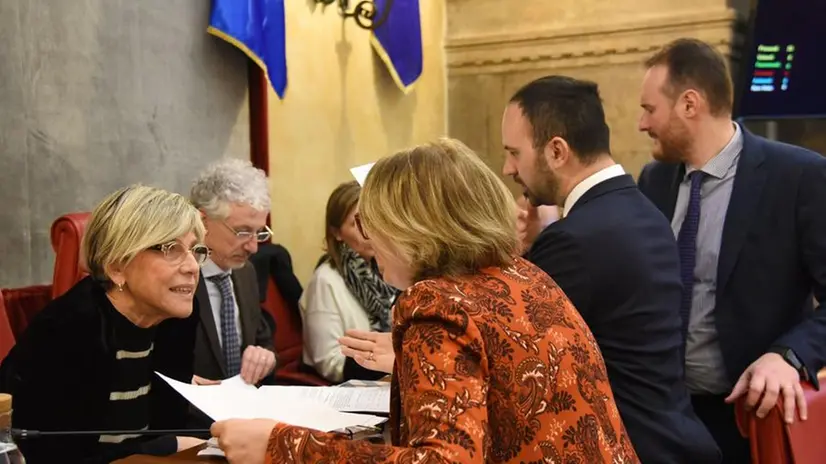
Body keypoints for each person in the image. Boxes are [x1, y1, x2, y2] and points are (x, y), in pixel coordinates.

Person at [210, 138, 639, 463]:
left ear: (410, 224)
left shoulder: (437, 303)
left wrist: (281, 445)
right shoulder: (525, 277)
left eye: (372, 219)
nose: (370, 235)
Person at [501, 75, 720, 463]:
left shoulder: (574, 240)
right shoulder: (644, 213)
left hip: (631, 448)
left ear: (557, 151)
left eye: (514, 153)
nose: (507, 168)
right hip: (675, 441)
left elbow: (517, 364)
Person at [636, 38, 826, 462]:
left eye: (649, 109)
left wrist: (789, 356)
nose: (641, 124)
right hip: (666, 419)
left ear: (690, 104)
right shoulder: (653, 180)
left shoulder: (799, 177)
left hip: (750, 420)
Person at [0, 185, 208, 463]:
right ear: (117, 267)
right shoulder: (70, 328)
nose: (192, 266)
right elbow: (56, 455)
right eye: (171, 249)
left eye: (196, 250)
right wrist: (163, 445)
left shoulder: (174, 316)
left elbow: (170, 424)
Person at [189, 159, 277, 386]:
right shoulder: (176, 277)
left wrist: (265, 357)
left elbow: (262, 339)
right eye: (242, 232)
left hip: (244, 407)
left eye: (259, 233)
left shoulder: (245, 272)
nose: (253, 247)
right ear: (203, 222)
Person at [300, 181, 396, 383]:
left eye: (372, 222)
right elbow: (329, 361)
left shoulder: (381, 271)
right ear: (336, 233)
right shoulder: (325, 280)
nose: (368, 233)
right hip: (345, 388)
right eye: (356, 224)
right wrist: (385, 366)